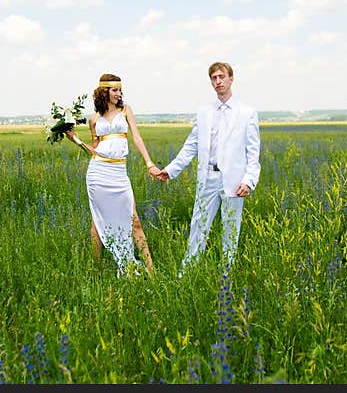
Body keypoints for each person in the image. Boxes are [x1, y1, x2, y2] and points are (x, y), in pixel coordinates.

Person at [154, 62, 260, 273]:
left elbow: (253, 152)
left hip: (234, 180)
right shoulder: (204, 112)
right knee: (198, 225)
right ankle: (188, 271)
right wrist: (171, 170)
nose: (218, 81)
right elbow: (191, 146)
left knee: (231, 229)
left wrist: (248, 180)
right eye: (214, 78)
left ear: (231, 79)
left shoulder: (247, 112)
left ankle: (227, 272)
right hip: (208, 178)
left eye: (222, 76)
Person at [64, 73, 159, 276]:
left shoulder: (126, 111)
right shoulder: (94, 119)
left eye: (120, 90)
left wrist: (149, 163)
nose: (119, 93)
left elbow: (137, 138)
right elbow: (96, 149)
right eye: (114, 90)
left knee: (134, 221)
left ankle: (152, 272)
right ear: (104, 91)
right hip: (98, 173)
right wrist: (77, 141)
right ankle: (96, 269)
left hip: (118, 172)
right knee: (97, 221)